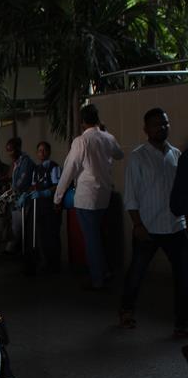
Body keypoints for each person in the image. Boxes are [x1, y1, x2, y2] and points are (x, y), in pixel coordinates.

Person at [118, 109, 187, 336]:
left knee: (184, 275)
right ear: (146, 129)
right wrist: (137, 225)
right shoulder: (138, 157)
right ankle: (127, 311)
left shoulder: (176, 154)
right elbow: (131, 196)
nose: (162, 128)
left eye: (165, 123)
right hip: (147, 227)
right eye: (157, 124)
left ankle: (182, 323)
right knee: (137, 272)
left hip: (176, 226)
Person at [53, 104, 123, 290]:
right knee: (99, 236)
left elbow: (69, 170)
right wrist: (106, 133)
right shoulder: (108, 137)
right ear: (97, 119)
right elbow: (120, 154)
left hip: (86, 197)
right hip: (104, 196)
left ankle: (97, 279)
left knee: (92, 240)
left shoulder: (81, 142)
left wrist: (58, 198)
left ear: (82, 122)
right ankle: (105, 271)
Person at [17, 141, 63, 274]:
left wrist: (46, 192)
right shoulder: (36, 169)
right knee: (41, 235)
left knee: (51, 235)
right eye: (39, 151)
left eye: (44, 150)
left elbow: (57, 185)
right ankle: (44, 263)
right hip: (38, 206)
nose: (41, 153)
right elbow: (33, 185)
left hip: (50, 205)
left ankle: (55, 265)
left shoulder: (54, 167)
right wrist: (26, 194)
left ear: (49, 152)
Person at [1, 137, 34, 252]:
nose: (9, 153)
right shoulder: (16, 162)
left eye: (11, 150)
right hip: (16, 196)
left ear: (18, 148)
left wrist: (11, 192)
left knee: (18, 224)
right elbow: (11, 178)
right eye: (8, 150)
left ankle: (15, 247)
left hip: (24, 196)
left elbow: (22, 181)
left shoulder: (26, 162)